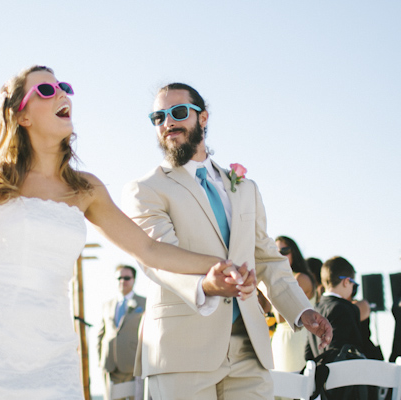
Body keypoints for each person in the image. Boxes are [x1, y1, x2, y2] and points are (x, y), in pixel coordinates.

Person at [0, 65, 255, 399]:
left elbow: (149, 250)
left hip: (53, 340)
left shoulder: (85, 188)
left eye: (64, 87)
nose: (61, 93)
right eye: (46, 90)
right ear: (22, 116)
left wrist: (218, 263)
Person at [122, 83, 332, 400]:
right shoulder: (145, 189)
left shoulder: (245, 188)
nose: (167, 123)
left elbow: (266, 259)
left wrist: (301, 310)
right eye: (158, 117)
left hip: (250, 349)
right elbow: (159, 258)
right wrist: (207, 285)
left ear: (203, 117)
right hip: (182, 350)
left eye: (178, 112)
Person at [306, 256, 366, 400]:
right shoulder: (346, 308)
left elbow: (307, 353)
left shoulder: (314, 309)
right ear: (346, 282)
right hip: (344, 388)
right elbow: (350, 348)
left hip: (320, 387)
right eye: (353, 285)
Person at [97, 265, 146, 400]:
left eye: (126, 278)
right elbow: (100, 335)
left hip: (133, 365)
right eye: (119, 278)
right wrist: (101, 360)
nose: (122, 281)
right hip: (110, 366)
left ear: (133, 280)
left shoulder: (144, 302)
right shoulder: (107, 305)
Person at [271, 236, 318, 375]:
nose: (280, 254)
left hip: (295, 338)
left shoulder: (300, 278)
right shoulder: (279, 278)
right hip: (280, 337)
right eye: (275, 250)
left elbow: (281, 316)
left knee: (292, 388)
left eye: (285, 250)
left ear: (294, 252)